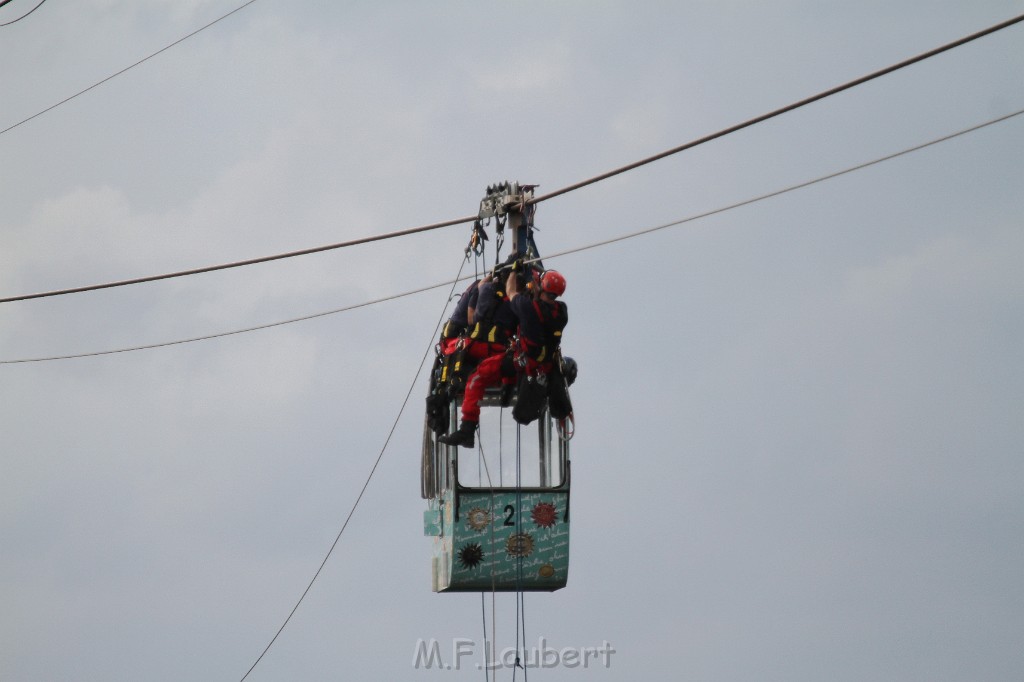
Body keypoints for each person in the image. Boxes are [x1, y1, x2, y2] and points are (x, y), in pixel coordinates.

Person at [440, 266, 568, 448]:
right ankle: (507, 391)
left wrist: (514, 272)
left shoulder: (527, 307)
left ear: (542, 287)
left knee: (477, 376)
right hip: (544, 367)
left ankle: (467, 429)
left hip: (523, 362)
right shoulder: (562, 312)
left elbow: (510, 291)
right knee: (506, 367)